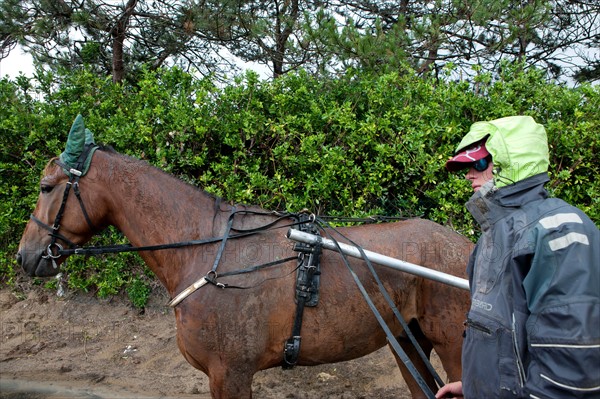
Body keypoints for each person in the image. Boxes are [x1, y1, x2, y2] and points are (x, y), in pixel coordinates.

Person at [436, 115, 600, 398]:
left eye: (479, 163)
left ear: (510, 163)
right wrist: (475, 386)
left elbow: (573, 372)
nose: (468, 175)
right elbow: (504, 338)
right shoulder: (494, 234)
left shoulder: (557, 230)